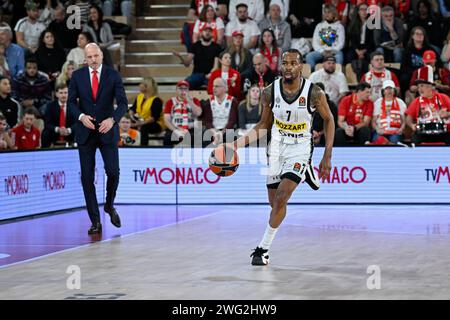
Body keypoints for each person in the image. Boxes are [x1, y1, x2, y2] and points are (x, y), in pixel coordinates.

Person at [222, 49, 335, 265]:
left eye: (293, 63)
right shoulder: (268, 92)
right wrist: (235, 145)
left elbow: (329, 120)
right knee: (273, 203)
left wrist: (327, 155)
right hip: (276, 147)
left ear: (301, 66)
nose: (289, 67)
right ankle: (306, 171)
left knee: (282, 198)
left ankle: (262, 249)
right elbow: (263, 125)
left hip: (300, 148)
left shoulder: (314, 92)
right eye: (285, 63)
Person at [68, 43, 128, 235]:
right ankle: (95, 221)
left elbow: (123, 104)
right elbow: (70, 103)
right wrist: (81, 117)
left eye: (96, 56)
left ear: (101, 55)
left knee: (113, 172)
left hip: (107, 130)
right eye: (89, 57)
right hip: (85, 132)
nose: (93, 60)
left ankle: (109, 205)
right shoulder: (77, 76)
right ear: (85, 59)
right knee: (87, 177)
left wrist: (113, 119)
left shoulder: (113, 75)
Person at [405, 72, 450, 145]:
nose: (419, 89)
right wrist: (412, 125)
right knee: (415, 137)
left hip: (443, 132)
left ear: (431, 87)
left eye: (422, 86)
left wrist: (448, 114)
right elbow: (408, 118)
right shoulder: (416, 101)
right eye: (418, 87)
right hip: (423, 132)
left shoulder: (443, 97)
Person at [163, 80, 202, 147]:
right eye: (180, 88)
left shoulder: (194, 100)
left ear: (188, 90)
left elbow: (198, 113)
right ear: (176, 90)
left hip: (190, 129)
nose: (183, 91)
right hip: (175, 129)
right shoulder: (170, 102)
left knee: (197, 138)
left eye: (185, 89)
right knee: (167, 137)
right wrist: (176, 131)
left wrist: (189, 101)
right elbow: (166, 120)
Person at [128, 77, 165, 146]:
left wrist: (139, 124)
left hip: (155, 123)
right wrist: (131, 114)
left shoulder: (156, 100)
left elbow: (153, 118)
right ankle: (128, 145)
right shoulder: (139, 96)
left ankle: (143, 148)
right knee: (125, 125)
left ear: (147, 87)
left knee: (144, 128)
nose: (139, 85)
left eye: (142, 83)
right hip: (140, 120)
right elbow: (133, 108)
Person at [372, 80, 407, 144]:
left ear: (394, 91)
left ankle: (388, 143)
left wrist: (401, 129)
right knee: (376, 138)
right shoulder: (377, 102)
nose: (389, 91)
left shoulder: (400, 102)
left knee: (395, 140)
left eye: (391, 89)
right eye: (386, 89)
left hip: (395, 131)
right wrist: (377, 129)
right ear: (383, 91)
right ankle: (387, 143)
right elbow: (374, 121)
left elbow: (404, 120)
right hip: (381, 131)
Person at [42, 83, 75, 148]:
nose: (64, 95)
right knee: (45, 133)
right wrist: (58, 129)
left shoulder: (74, 105)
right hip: (55, 132)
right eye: (61, 93)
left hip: (69, 132)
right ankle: (45, 151)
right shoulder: (50, 106)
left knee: (80, 130)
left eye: (66, 93)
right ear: (56, 94)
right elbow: (47, 123)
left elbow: (77, 123)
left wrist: (69, 130)